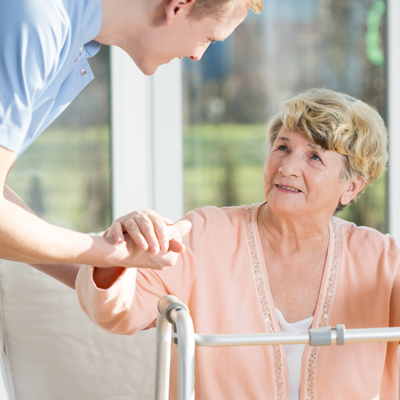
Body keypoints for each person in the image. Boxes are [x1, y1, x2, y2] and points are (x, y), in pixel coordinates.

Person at [76, 88, 397, 400]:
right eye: (282, 147)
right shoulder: (206, 234)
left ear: (351, 187)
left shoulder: (381, 259)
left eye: (314, 156)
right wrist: (121, 252)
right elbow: (118, 311)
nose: (286, 168)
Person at [0, 0, 263, 289]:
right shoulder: (38, 22)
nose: (198, 55)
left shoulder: (71, 40)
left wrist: (88, 275)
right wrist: (110, 251)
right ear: (177, 7)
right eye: (209, 37)